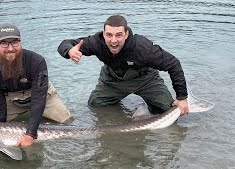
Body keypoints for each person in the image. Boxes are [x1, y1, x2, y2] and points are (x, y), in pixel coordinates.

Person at [57, 15, 189, 116]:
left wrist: (182, 98)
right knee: (95, 105)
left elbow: (173, 64)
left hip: (145, 80)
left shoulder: (142, 47)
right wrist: (69, 51)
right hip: (113, 81)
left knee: (170, 111)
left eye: (118, 35)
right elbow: (65, 43)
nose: (113, 40)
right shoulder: (96, 42)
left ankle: (149, 107)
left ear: (126, 34)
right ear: (104, 34)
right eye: (109, 35)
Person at [0, 23, 71, 147]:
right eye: (4, 43)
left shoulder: (36, 61)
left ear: (20, 42)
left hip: (41, 95)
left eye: (14, 42)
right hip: (11, 100)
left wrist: (30, 134)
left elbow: (39, 100)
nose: (10, 48)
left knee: (68, 123)